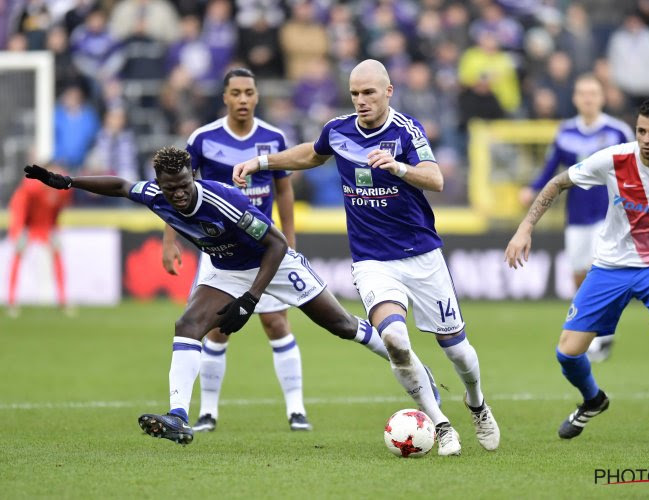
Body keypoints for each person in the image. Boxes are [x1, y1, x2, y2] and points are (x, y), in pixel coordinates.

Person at [23, 146, 392, 446]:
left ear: (193, 176)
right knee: (188, 324)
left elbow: (276, 244)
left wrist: (250, 300)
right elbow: (120, 186)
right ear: (160, 184)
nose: (178, 194)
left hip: (273, 264)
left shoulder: (222, 200)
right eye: (170, 188)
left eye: (184, 184)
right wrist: (66, 181)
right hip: (225, 268)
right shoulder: (156, 196)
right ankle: (179, 417)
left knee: (342, 325)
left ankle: (403, 357)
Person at [233, 59, 500, 456]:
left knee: (457, 349)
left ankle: (476, 403)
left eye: (369, 92)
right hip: (372, 260)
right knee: (393, 337)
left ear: (388, 92)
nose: (360, 100)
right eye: (355, 93)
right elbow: (312, 154)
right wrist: (263, 162)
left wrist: (399, 167)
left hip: (421, 255)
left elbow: (437, 178)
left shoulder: (407, 131)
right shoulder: (338, 130)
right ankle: (440, 425)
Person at [505, 99, 649, 445]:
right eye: (641, 130)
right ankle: (593, 399)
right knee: (567, 353)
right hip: (611, 266)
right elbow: (557, 183)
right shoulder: (614, 159)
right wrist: (525, 228)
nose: (646, 139)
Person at [161, 68, 309, 432]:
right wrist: (170, 240)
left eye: (249, 92)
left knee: (276, 323)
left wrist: (290, 237)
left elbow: (284, 190)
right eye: (236, 93)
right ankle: (207, 413)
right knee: (216, 328)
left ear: (257, 96)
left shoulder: (274, 138)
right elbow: (175, 191)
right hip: (221, 250)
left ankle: (296, 409)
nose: (243, 99)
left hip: (263, 248)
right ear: (225, 97)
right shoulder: (202, 138)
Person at [519, 74, 633, 362]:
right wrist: (533, 190)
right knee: (578, 276)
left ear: (602, 97)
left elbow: (634, 170)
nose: (588, 98)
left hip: (608, 215)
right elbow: (551, 169)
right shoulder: (565, 131)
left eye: (593, 93)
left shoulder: (617, 131)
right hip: (576, 216)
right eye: (582, 93)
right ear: (575, 98)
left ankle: (603, 336)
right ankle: (588, 330)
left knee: (599, 272)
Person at [7, 163, 73, 317]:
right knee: (17, 258)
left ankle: (63, 301)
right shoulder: (31, 188)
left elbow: (57, 210)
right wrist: (19, 231)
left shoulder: (63, 190)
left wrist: (55, 229)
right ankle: (11, 302)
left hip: (46, 226)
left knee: (58, 257)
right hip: (28, 226)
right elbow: (19, 206)